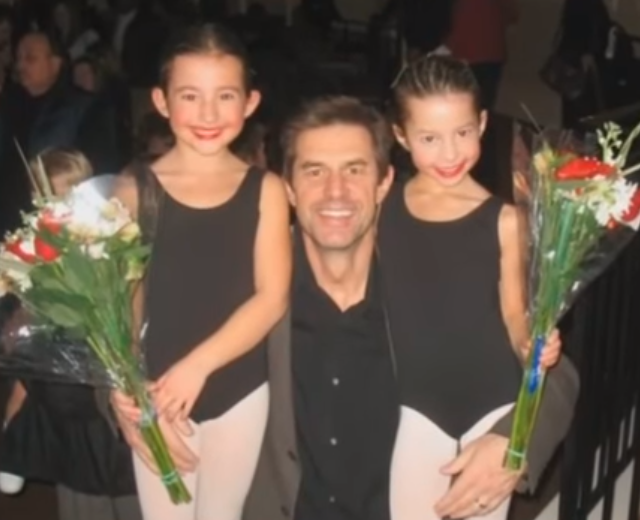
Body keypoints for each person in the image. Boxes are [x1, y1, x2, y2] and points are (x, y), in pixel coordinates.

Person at [236, 96, 577, 520]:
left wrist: (514, 442)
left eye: (354, 170)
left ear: (384, 183)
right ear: (288, 187)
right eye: (314, 171)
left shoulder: (425, 270)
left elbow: (557, 376)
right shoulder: (255, 281)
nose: (335, 191)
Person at [110, 23, 291, 520]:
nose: (208, 114)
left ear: (250, 102)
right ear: (161, 101)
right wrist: (127, 387)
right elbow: (122, 301)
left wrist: (197, 366)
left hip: (240, 390)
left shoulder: (266, 189)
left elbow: (272, 296)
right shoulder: (134, 188)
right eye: (190, 96)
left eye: (225, 96)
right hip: (158, 391)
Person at [378, 54, 553, 520]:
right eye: (429, 138)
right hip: (413, 406)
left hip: (492, 401)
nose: (450, 153)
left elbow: (513, 312)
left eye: (462, 132)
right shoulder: (383, 206)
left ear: (483, 123)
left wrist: (532, 343)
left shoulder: (505, 220)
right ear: (401, 136)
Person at [0, 147, 143, 520]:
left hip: (108, 377)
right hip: (65, 385)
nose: (56, 208)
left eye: (67, 194)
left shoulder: (113, 236)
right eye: (43, 197)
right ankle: (16, 445)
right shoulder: (32, 246)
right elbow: (25, 311)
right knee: (80, 483)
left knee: (128, 477)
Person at [0, 30, 121, 240]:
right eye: (18, 58)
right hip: (10, 227)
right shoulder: (7, 104)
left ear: (55, 63)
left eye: (30, 58)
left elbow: (101, 173)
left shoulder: (85, 108)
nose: (20, 66)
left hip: (61, 229)